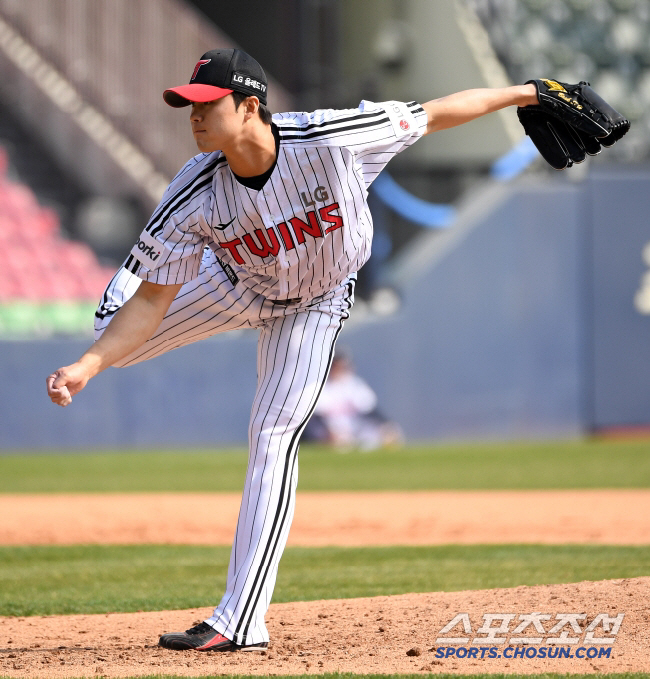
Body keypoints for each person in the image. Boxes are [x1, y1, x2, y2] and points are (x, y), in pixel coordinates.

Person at [46, 48, 538, 652]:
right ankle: (130, 281)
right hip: (233, 287)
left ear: (249, 106)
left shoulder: (331, 139)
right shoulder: (194, 190)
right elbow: (151, 307)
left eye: (206, 104)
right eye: (188, 106)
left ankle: (240, 620)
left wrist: (528, 94)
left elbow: (433, 114)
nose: (192, 117)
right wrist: (89, 364)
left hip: (317, 302)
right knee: (112, 325)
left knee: (272, 435)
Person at [304, 352, 403, 450]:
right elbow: (316, 417)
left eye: (342, 366)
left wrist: (386, 424)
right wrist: (329, 432)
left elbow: (370, 410)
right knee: (330, 436)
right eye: (336, 366)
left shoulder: (354, 385)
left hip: (354, 429)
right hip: (328, 430)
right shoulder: (319, 385)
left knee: (386, 431)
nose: (339, 369)